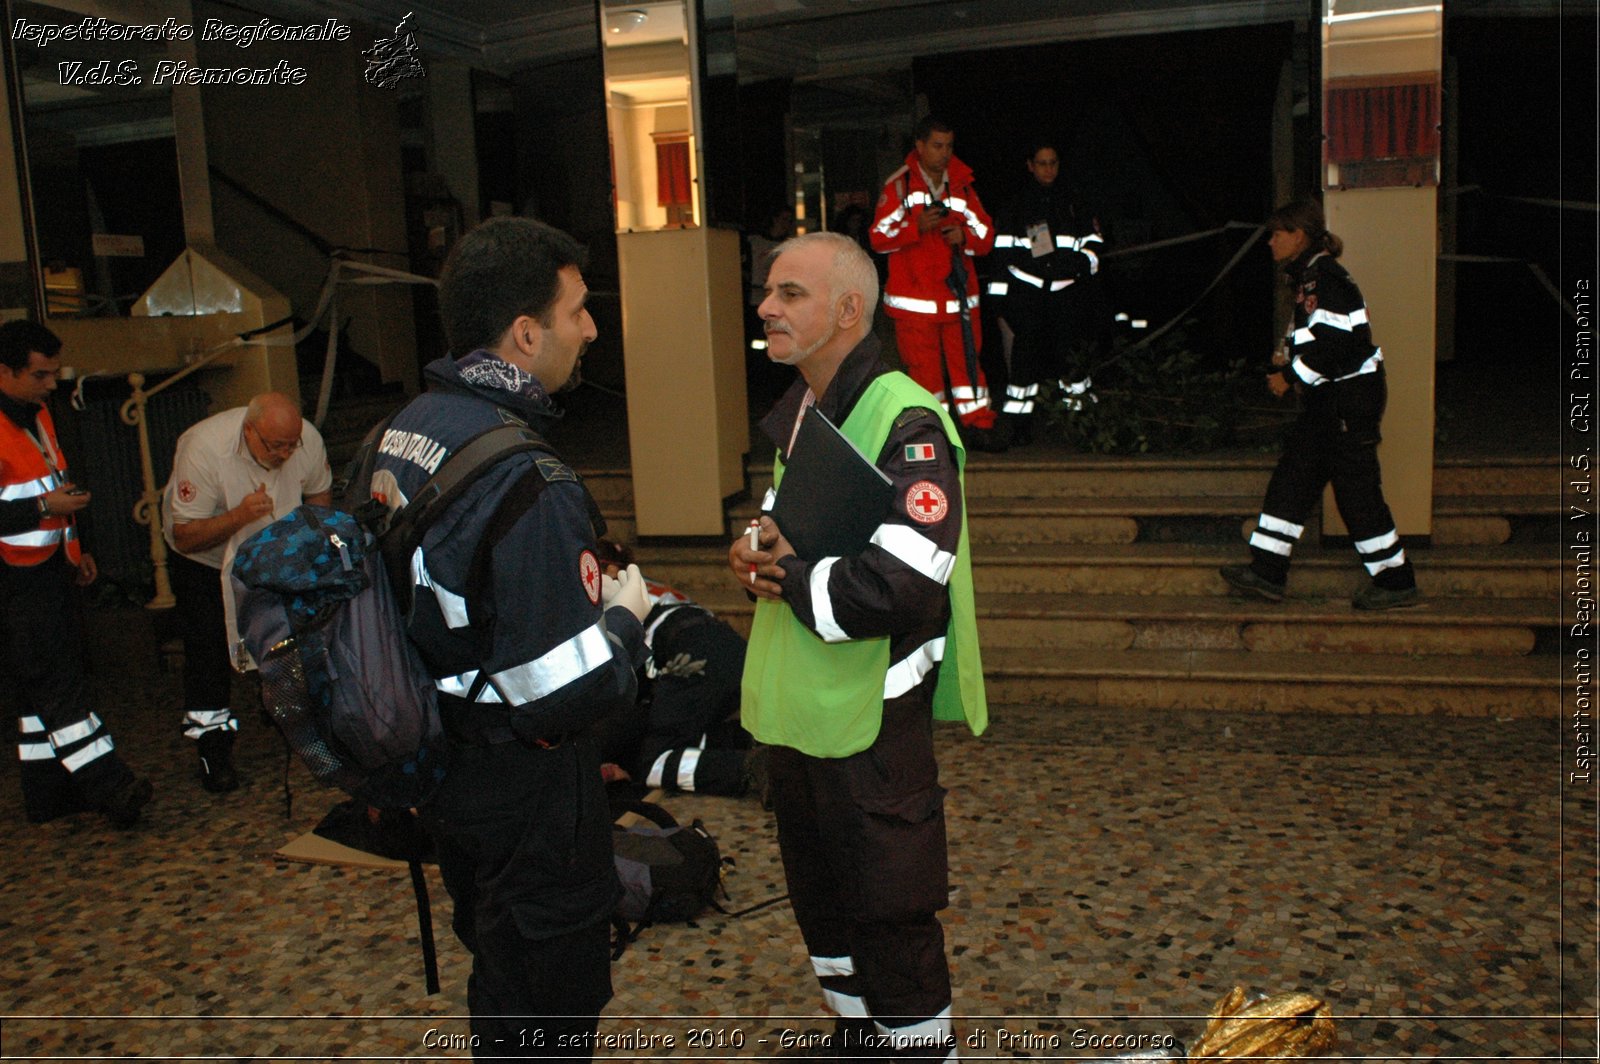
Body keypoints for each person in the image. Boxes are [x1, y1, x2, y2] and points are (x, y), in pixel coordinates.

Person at [371, 216, 650, 1057]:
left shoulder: (409, 426)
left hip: (446, 767)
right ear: (526, 334)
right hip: (524, 788)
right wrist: (626, 623)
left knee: (499, 970)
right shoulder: (527, 478)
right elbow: (561, 689)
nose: (593, 329)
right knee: (548, 1000)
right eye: (578, 312)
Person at [730, 232, 988, 1059]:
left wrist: (791, 578)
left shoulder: (906, 420)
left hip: (872, 733)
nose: (766, 307)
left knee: (891, 923)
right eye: (769, 291)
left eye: (789, 293)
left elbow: (902, 584)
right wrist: (756, 550)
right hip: (807, 721)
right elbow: (797, 535)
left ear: (848, 310)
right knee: (829, 920)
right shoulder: (808, 412)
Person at [1220, 199, 1420, 610]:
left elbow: (1337, 344)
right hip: (1329, 401)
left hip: (1347, 401)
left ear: (1299, 235)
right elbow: (1322, 339)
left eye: (1277, 233)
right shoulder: (1310, 278)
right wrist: (1289, 359)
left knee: (1357, 494)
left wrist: (1289, 376)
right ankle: (1266, 571)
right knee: (1293, 479)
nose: (1270, 241)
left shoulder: (1323, 278)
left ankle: (1395, 581)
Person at [0, 320, 152, 828]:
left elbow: (50, 484)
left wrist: (76, 548)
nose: (52, 385)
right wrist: (46, 506)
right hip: (13, 580)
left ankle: (49, 796)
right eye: (41, 375)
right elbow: (38, 498)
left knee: (34, 695)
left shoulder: (36, 413)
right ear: (5, 371)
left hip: (47, 568)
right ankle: (112, 787)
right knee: (58, 684)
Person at [162, 393, 332, 793]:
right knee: (209, 654)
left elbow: (320, 495)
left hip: (275, 556)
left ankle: (297, 728)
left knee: (289, 642)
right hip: (205, 559)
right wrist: (240, 515)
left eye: (292, 445)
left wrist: (311, 542)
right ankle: (213, 749)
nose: (285, 454)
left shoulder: (304, 440)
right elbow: (186, 535)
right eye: (275, 446)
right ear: (249, 432)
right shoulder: (204, 447)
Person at [870, 115, 1006, 452]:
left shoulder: (962, 184)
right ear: (919, 146)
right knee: (925, 375)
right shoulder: (899, 185)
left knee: (969, 370)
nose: (944, 153)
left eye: (949, 146)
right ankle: (934, 434)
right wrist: (916, 227)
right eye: (937, 145)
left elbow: (987, 236)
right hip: (917, 304)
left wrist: (964, 236)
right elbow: (877, 237)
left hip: (959, 300)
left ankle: (979, 426)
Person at [591, 541, 757, 798]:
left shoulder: (609, 592)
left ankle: (754, 771)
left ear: (610, 568)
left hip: (690, 653)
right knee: (682, 734)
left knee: (653, 764)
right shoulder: (643, 583)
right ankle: (750, 746)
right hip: (726, 648)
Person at [987, 140, 1111, 444]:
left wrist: (1081, 263)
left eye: (1053, 162)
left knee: (1071, 361)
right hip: (1028, 295)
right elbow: (1001, 253)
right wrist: (1000, 301)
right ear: (1030, 165)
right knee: (1024, 363)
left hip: (1066, 295)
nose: (1048, 169)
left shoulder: (1074, 201)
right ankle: (1020, 427)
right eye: (1042, 163)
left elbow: (1095, 243)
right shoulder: (1017, 204)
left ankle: (1081, 424)